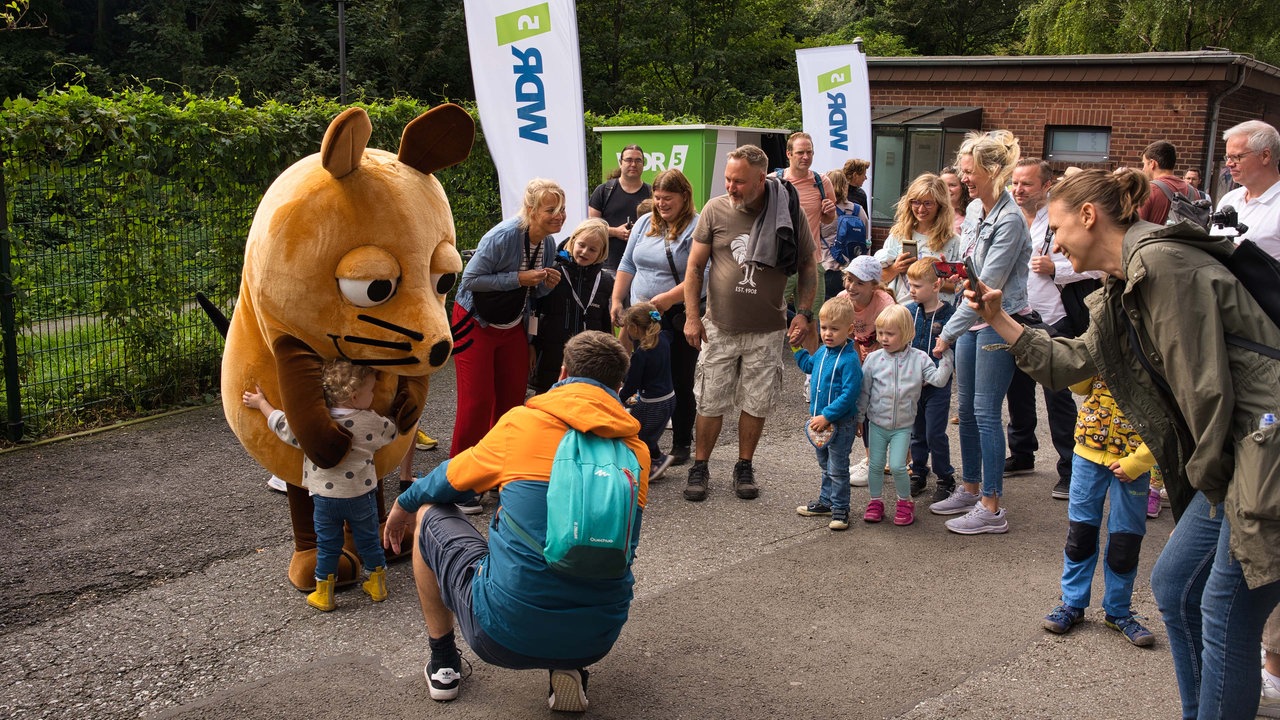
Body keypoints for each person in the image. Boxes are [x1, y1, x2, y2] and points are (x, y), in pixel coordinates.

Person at [963, 168, 1280, 718]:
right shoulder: (1120, 284)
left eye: (1057, 227)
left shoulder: (1162, 265)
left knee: (1224, 611)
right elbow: (1073, 362)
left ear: (1089, 217)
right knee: (1177, 586)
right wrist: (1000, 319)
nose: (1053, 242)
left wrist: (1198, 480)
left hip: (1262, 450)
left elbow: (1204, 390)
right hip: (1236, 454)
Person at [382, 331, 649, 711]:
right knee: (586, 545)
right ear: (619, 386)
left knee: (428, 514)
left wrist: (405, 503)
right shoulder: (636, 451)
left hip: (501, 634)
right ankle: (569, 665)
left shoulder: (523, 424)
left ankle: (444, 664)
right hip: (598, 638)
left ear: (562, 373)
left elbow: (447, 481)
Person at [681, 144, 817, 502]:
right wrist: (693, 317)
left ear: (761, 179)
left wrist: (804, 311)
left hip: (768, 329)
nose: (730, 187)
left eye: (738, 181)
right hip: (719, 327)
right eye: (727, 179)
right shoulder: (715, 209)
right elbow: (694, 268)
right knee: (709, 401)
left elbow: (807, 265)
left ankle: (744, 465)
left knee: (756, 404)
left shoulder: (787, 209)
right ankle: (700, 466)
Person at [928, 130, 1031, 536]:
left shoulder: (1009, 220)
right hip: (970, 319)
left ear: (993, 171)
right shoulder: (973, 211)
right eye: (962, 171)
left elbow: (985, 289)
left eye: (969, 172)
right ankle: (970, 487)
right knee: (967, 410)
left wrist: (946, 334)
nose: (963, 178)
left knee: (987, 412)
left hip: (996, 321)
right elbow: (967, 268)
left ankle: (992, 505)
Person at [243, 360, 398, 611]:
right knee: (368, 540)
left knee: (327, 545)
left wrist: (261, 404)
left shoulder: (315, 424)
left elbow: (284, 426)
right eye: (371, 391)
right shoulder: (370, 422)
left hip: (325, 499)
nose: (373, 395)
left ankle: (324, 594)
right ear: (355, 395)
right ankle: (377, 584)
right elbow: (392, 431)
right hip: (362, 496)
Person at [451, 179, 564, 511]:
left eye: (561, 209)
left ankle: (501, 473)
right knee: (476, 403)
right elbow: (469, 279)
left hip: (512, 322)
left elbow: (534, 294)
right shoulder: (501, 236)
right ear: (530, 210)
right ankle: (461, 481)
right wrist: (520, 278)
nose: (559, 216)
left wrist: (545, 283)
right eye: (551, 210)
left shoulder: (548, 242)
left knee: (513, 402)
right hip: (475, 321)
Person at [1041, 375, 1156, 648]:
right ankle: (1072, 603)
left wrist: (1140, 461)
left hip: (1133, 464)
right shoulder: (1102, 340)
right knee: (1080, 533)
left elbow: (1170, 419)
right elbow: (1077, 385)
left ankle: (1118, 611)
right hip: (1087, 454)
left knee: (1125, 539)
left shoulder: (1160, 354)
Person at [1004, 158, 1086, 500]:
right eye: (1015, 184)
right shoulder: (1007, 217)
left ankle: (1069, 469)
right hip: (1017, 316)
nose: (1019, 190)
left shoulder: (1063, 217)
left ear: (1046, 186)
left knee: (1057, 394)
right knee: (1017, 389)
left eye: (1027, 184)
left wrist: (1057, 266)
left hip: (1054, 317)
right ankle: (1022, 452)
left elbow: (1095, 266)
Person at [611, 168, 701, 467]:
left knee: (678, 377)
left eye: (668, 198)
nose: (662, 204)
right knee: (642, 376)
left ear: (684, 197)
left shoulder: (696, 227)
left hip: (674, 313)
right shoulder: (644, 223)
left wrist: (665, 300)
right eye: (658, 198)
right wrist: (616, 299)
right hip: (641, 314)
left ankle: (681, 442)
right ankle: (646, 439)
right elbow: (627, 263)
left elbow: (700, 275)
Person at [855, 304, 954, 526]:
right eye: (880, 333)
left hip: (903, 426)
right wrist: (859, 418)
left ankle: (905, 501)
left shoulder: (919, 359)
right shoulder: (873, 359)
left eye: (890, 333)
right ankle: (875, 501)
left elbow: (938, 380)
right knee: (875, 465)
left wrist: (946, 356)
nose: (884, 338)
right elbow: (864, 391)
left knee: (899, 466)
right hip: (877, 424)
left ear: (907, 332)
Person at [793, 295, 863, 531]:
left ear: (850, 329)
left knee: (838, 467)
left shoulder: (850, 359)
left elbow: (850, 393)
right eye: (824, 328)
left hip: (840, 422)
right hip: (820, 421)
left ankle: (841, 508)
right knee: (824, 463)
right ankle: (826, 500)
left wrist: (828, 415)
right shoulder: (823, 352)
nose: (828, 334)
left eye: (835, 329)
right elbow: (808, 366)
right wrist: (796, 347)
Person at [530, 219, 614, 394]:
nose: (584, 252)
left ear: (601, 252)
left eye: (592, 249)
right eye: (581, 245)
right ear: (573, 240)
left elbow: (606, 325)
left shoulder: (605, 282)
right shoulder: (553, 272)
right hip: (550, 357)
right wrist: (530, 344)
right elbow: (534, 309)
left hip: (587, 361)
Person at [902, 258, 956, 501]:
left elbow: (950, 348)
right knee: (917, 431)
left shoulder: (950, 314)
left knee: (935, 432)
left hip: (937, 385)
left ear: (935, 286)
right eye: (910, 285)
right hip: (913, 385)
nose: (911, 290)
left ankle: (945, 476)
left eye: (916, 286)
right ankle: (918, 472)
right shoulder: (909, 312)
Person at [841, 255, 897, 487]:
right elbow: (845, 335)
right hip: (860, 355)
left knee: (883, 411)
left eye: (859, 283)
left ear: (874, 285)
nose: (851, 286)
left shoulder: (885, 305)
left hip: (887, 359)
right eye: (849, 279)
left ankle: (893, 460)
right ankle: (872, 458)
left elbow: (893, 341)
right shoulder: (842, 301)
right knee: (862, 409)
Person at [875, 173, 960, 303]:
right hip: (900, 313)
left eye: (928, 203)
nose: (921, 209)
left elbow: (959, 287)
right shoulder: (898, 235)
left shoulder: (953, 242)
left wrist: (932, 279)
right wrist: (896, 268)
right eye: (916, 202)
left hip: (936, 316)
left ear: (940, 205)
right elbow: (878, 278)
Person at [778, 132, 836, 310]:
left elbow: (828, 220)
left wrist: (829, 213)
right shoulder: (775, 181)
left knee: (812, 319)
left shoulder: (822, 182)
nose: (806, 157)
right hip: (782, 262)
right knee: (773, 315)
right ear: (789, 154)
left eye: (809, 152)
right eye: (800, 152)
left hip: (812, 260)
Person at [620, 303, 676, 481]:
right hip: (668, 398)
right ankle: (657, 461)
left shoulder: (641, 354)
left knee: (641, 436)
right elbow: (669, 330)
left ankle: (657, 461)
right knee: (646, 432)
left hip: (653, 403)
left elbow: (632, 382)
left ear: (634, 328)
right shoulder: (665, 338)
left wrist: (620, 397)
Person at [1213, 120, 1280, 259]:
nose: (1229, 164)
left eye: (1236, 157)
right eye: (1227, 157)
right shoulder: (1229, 199)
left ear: (1265, 156)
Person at [589, 144, 653, 272]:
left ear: (643, 164)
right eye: (629, 160)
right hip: (607, 267)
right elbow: (591, 228)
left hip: (643, 268)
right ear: (620, 162)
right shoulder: (603, 191)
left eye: (638, 160)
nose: (633, 164)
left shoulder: (653, 193)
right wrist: (616, 232)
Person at [819, 170, 870, 302]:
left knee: (826, 310)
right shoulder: (858, 210)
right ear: (845, 186)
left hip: (827, 267)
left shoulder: (822, 210)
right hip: (852, 271)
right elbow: (867, 241)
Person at [1137, 140, 1197, 226]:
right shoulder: (1194, 192)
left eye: (1144, 164)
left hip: (1155, 239)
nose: (1143, 169)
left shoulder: (1148, 190)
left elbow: (1136, 228)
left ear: (1152, 163)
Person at [939, 165, 970, 236]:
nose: (947, 189)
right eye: (943, 185)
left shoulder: (971, 213)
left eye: (952, 185)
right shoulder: (933, 211)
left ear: (963, 187)